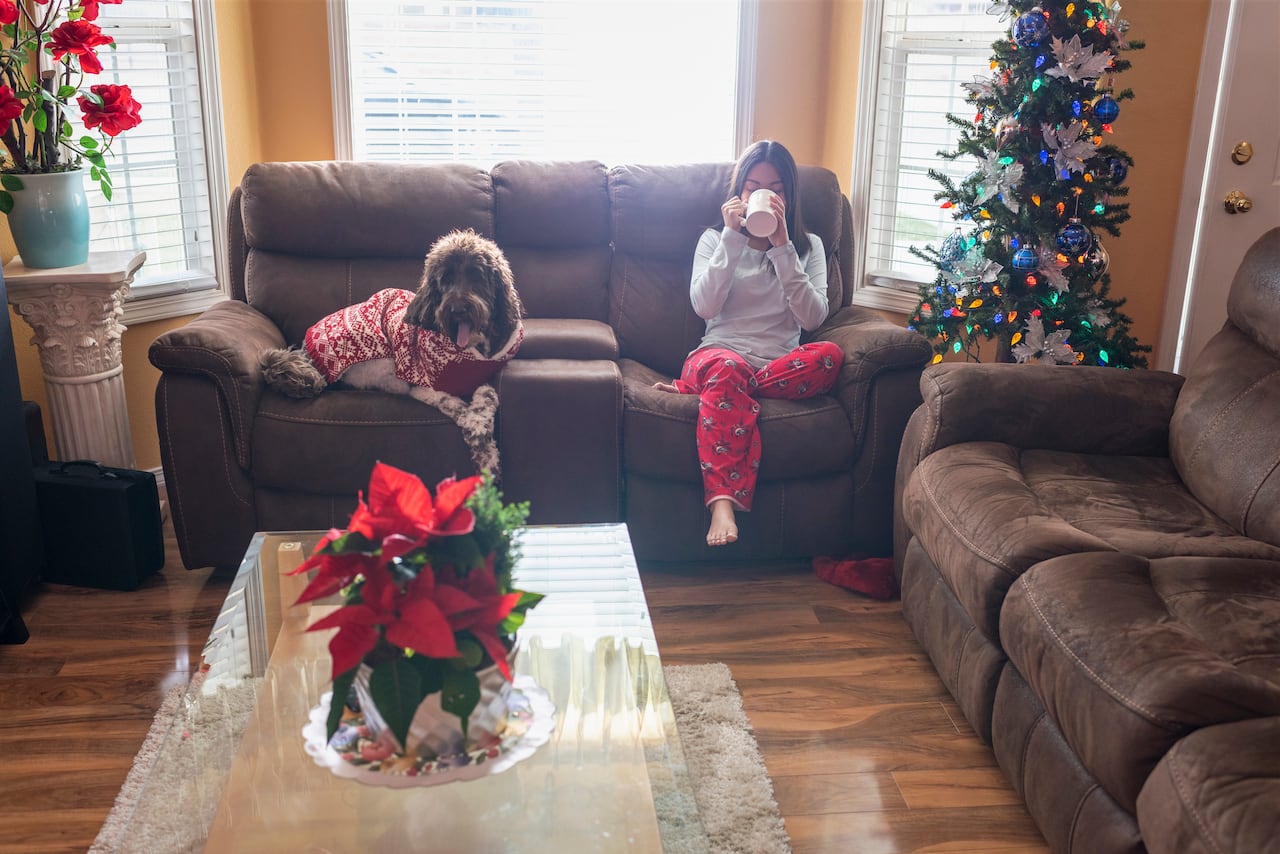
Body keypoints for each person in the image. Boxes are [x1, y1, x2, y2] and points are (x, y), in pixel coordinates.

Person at [654, 140, 843, 546]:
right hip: (717, 356)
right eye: (754, 186)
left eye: (776, 188)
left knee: (829, 358)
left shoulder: (809, 249)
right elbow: (704, 307)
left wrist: (782, 248)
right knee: (728, 369)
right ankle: (722, 502)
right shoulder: (713, 240)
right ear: (739, 192)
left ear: (788, 197)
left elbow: (813, 318)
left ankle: (713, 393)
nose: (765, 195)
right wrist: (731, 238)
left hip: (776, 367)